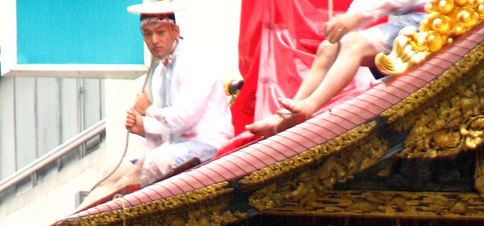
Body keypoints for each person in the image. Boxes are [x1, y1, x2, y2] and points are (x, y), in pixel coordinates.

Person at [82, 1, 233, 206]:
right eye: (147, 34)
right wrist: (142, 128)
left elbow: (184, 118)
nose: (154, 40)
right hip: (176, 149)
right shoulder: (160, 73)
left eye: (160, 32)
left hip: (207, 145)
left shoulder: (194, 60)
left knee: (144, 166)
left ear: (175, 30)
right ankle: (65, 222)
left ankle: (92, 220)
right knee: (111, 171)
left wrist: (149, 111)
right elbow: (163, 139)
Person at [248, 1, 427, 138]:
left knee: (354, 44)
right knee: (328, 48)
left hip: (427, 22)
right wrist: (344, 24)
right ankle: (288, 113)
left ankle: (309, 106)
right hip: (405, 22)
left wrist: (358, 17)